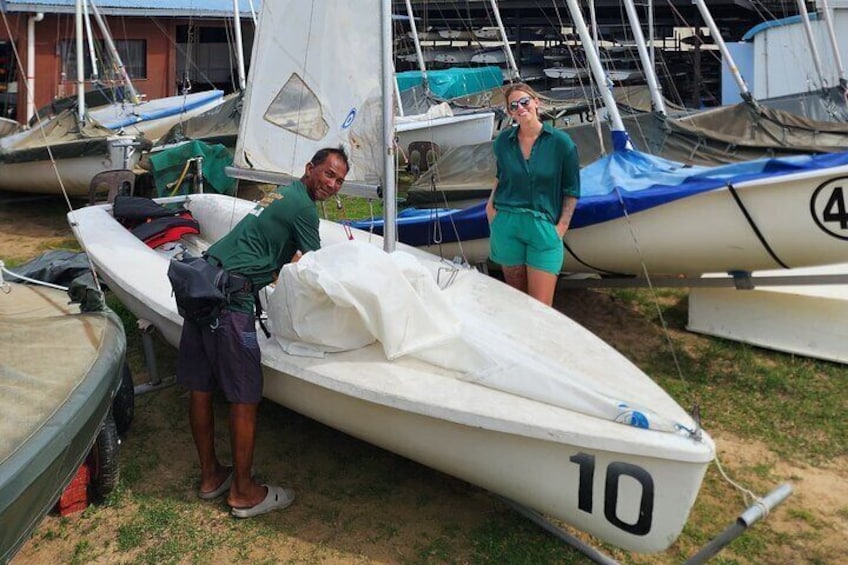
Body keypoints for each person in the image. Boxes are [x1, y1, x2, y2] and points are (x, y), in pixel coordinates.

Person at [175, 146, 349, 518]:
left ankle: (210, 477)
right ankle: (243, 492)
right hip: (230, 301)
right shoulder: (303, 208)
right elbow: (314, 268)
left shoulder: (284, 191)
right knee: (245, 397)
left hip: (203, 283)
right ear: (310, 168)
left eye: (339, 180)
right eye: (329, 174)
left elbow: (270, 244)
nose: (333, 184)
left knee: (202, 388)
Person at [486, 83, 580, 306]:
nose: (520, 108)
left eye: (525, 101)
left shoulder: (561, 143)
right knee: (516, 303)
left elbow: (571, 190)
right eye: (513, 106)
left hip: (543, 227)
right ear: (510, 112)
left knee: (540, 309)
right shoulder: (503, 141)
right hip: (507, 223)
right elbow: (501, 175)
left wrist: (561, 228)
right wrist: (490, 209)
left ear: (536, 102)